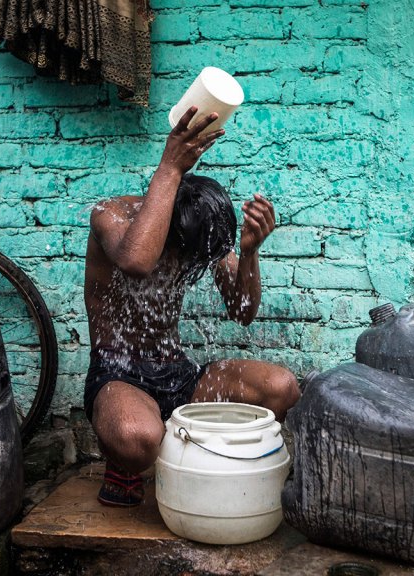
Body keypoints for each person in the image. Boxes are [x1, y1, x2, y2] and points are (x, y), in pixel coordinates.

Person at [83, 106, 301, 506]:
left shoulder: (197, 229)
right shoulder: (113, 216)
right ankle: (130, 459)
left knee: (281, 387)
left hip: (180, 376)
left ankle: (199, 460)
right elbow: (137, 262)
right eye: (183, 256)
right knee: (136, 438)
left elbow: (241, 311)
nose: (186, 266)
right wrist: (170, 167)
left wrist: (249, 253)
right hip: (120, 378)